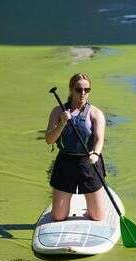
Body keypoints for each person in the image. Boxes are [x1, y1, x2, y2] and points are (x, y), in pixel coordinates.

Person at [45, 73, 107, 221]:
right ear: (71, 90)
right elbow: (49, 140)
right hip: (65, 162)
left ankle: (93, 204)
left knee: (97, 217)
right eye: (79, 90)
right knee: (58, 216)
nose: (83, 93)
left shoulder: (95, 113)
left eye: (87, 89)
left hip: (88, 162)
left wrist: (96, 154)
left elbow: (99, 139)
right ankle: (62, 204)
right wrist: (62, 123)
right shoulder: (58, 111)